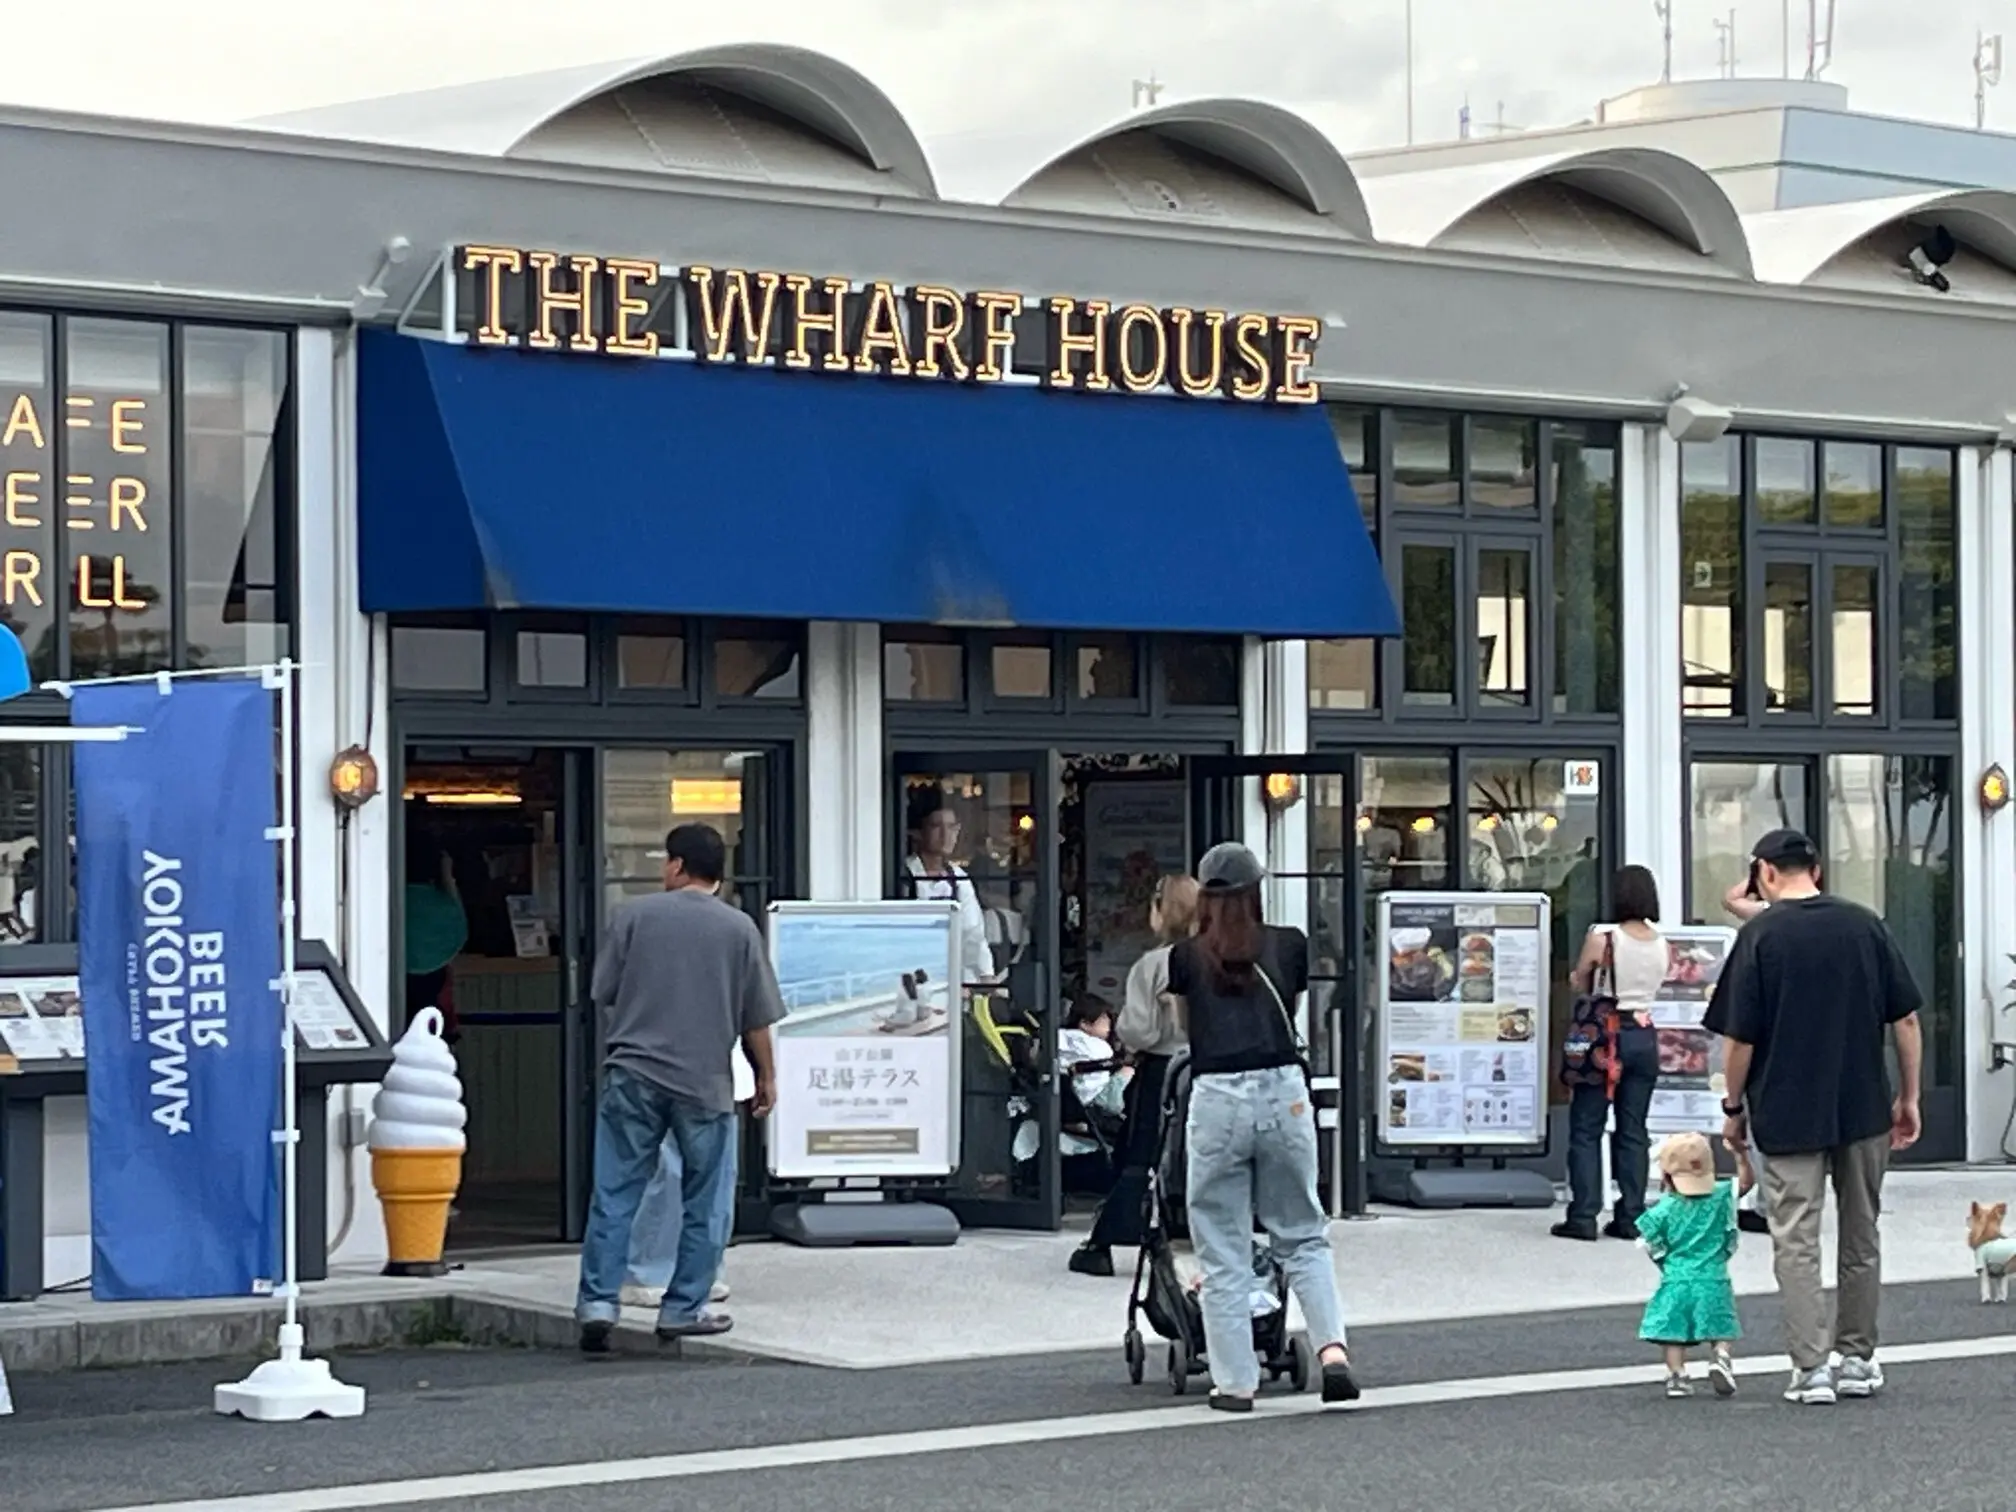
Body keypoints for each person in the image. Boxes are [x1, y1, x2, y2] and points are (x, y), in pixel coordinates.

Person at [1703, 828, 1923, 1407]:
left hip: (1786, 1107)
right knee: (1862, 1232)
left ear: (1765, 873)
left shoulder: (1761, 936)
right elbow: (1905, 1021)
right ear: (1817, 870)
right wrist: (1910, 1097)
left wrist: (1733, 1109)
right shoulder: (1865, 925)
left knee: (1795, 1238)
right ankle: (1857, 1358)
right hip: (1863, 1104)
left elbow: (1739, 1041)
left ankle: (1810, 1368)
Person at [575, 823, 785, 1352]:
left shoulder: (633, 918)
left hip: (634, 1074)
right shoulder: (739, 930)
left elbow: (604, 992)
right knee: (707, 1199)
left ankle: (598, 1302)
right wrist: (766, 1075)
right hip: (703, 1081)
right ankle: (683, 1307)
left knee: (616, 1192)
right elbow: (755, 1018)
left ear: (677, 865)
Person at [1168, 842, 1357, 1412]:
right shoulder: (1290, 944)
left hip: (1218, 1095)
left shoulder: (1184, 957)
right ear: (1257, 890)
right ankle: (1332, 1352)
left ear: (1204, 894)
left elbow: (1187, 1029)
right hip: (1283, 1092)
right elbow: (1290, 1009)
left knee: (1222, 1244)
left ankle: (1236, 1382)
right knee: (1302, 1231)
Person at [1070, 873, 1199, 1277]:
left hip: (1161, 1069)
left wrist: (1125, 1029)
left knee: (1142, 1156)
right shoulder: (1216, 956)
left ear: (1163, 910)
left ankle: (1105, 1241)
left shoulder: (1153, 964)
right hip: (1209, 1068)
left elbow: (1141, 1031)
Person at [1553, 865, 1665, 1242]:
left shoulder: (1604, 937)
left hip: (1606, 1037)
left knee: (1587, 1127)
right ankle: (1631, 1215)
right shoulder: (1661, 941)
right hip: (1645, 1036)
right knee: (1633, 1129)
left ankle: (1583, 1215)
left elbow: (1580, 981)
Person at [1635, 1131, 1748, 1400]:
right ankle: (1720, 1355)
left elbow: (1651, 1244)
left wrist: (1665, 1262)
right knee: (1720, 1325)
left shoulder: (1662, 1210)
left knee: (1673, 1332)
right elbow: (1745, 1184)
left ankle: (1677, 1375)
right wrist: (1741, 1156)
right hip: (1714, 1277)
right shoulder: (1720, 1196)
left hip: (1676, 1278)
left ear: (1666, 1175)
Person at [900, 784, 994, 986]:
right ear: (917, 832)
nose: (946, 835)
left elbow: (973, 933)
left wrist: (986, 976)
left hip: (956, 979)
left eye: (952, 827)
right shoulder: (904, 876)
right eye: (936, 827)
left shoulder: (958, 878)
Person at [1721, 870, 1773, 1235]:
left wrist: (1754, 874)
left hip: (1766, 1043)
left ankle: (1768, 1205)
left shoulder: (1768, 916)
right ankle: (1772, 1203)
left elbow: (1730, 898)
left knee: (1762, 1131)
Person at [403, 827, 468, 1040]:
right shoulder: (442, 906)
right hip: (432, 991)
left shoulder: (390, 900)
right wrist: (447, 875)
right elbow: (460, 928)